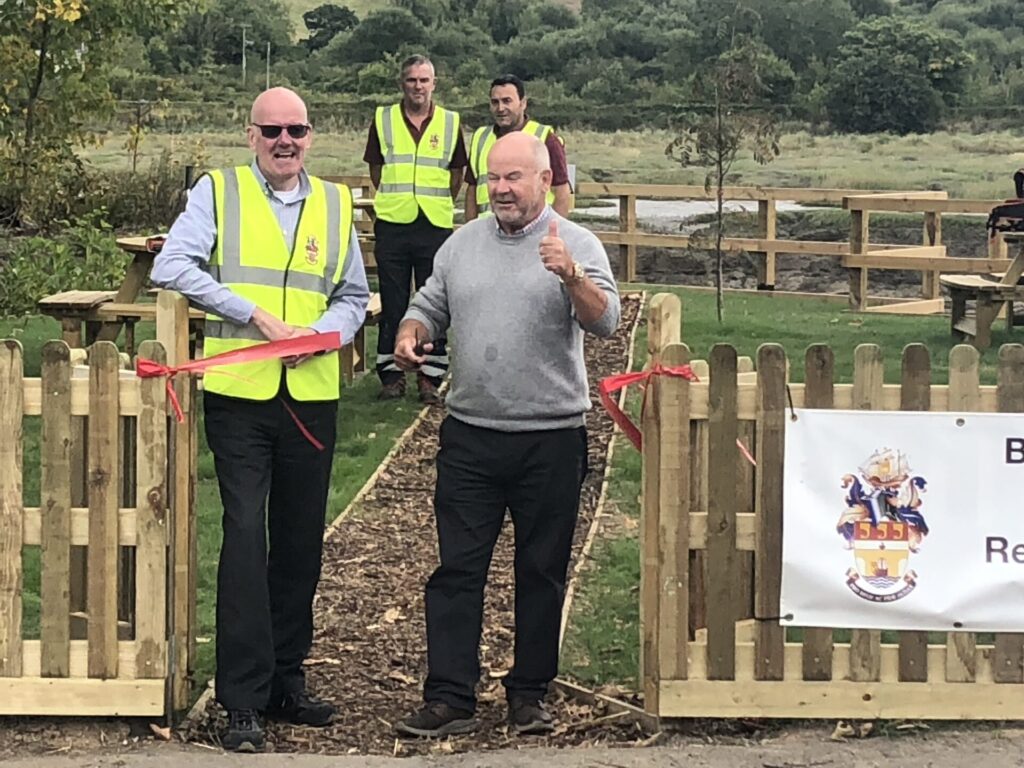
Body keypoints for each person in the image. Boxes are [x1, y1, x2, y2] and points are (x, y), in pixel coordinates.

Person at [151, 87, 370, 753]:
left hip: (310, 397)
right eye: (272, 129)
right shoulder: (219, 193)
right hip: (242, 395)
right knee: (246, 537)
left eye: (296, 130)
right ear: (250, 135)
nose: (285, 141)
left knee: (301, 540)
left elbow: (354, 295)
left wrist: (323, 334)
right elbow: (170, 265)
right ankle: (240, 699)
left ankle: (285, 681)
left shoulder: (334, 203)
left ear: (311, 135)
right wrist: (254, 316)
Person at [391, 132, 620, 738]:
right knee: (457, 570)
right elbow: (430, 303)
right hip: (471, 434)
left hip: (551, 436)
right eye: (493, 178)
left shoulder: (577, 244)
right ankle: (449, 697)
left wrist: (571, 277)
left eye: (514, 178)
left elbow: (607, 322)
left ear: (545, 181)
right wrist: (412, 330)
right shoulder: (461, 245)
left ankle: (529, 695)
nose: (500, 189)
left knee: (541, 570)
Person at [364, 53, 467, 405]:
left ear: (434, 84)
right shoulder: (383, 119)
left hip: (434, 225)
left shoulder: (451, 123)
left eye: (424, 80)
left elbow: (456, 175)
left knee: (433, 301)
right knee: (393, 302)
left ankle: (429, 376)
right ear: (402, 83)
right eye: (412, 80)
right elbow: (376, 170)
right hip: (393, 223)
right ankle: (391, 376)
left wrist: (432, 201)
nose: (418, 86)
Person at [464, 74, 572, 221]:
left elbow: (561, 192)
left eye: (507, 101)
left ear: (523, 103)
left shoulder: (545, 138)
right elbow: (472, 190)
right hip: (490, 233)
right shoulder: (480, 138)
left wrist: (551, 232)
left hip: (532, 233)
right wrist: (472, 232)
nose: (500, 108)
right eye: (495, 102)